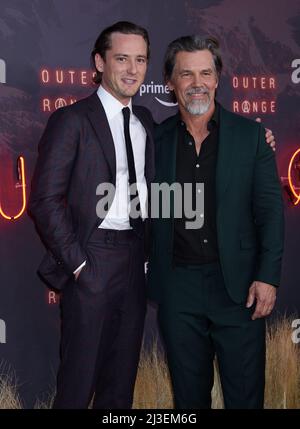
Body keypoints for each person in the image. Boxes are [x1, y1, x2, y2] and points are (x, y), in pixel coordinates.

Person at [147, 35, 284, 409]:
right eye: (186, 74)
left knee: (245, 397)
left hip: (239, 288)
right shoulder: (153, 141)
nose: (197, 83)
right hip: (178, 289)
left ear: (218, 78)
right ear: (170, 82)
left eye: (206, 72)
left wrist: (268, 276)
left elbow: (271, 212)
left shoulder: (251, 136)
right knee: (189, 401)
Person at [28, 21, 154, 409]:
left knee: (120, 387)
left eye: (140, 60)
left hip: (135, 261)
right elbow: (44, 199)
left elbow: (194, 139)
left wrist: (259, 138)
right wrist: (80, 264)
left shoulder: (146, 122)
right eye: (121, 59)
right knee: (78, 385)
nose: (132, 70)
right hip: (92, 256)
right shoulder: (72, 120)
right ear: (99, 62)